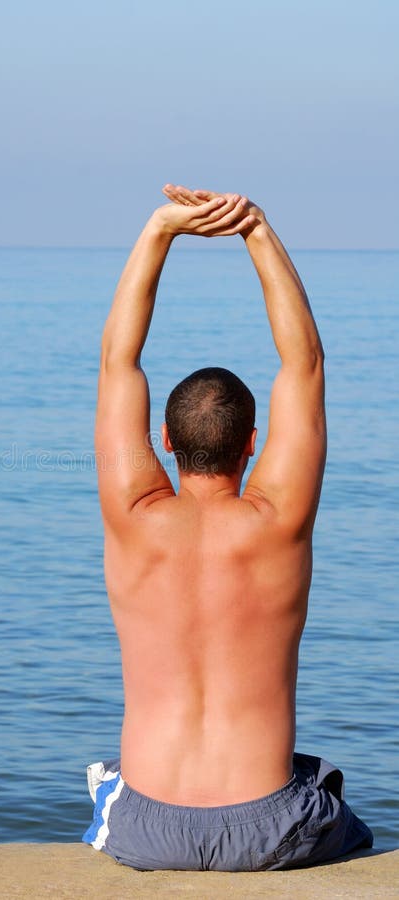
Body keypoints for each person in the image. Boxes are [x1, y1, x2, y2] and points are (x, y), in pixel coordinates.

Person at [81, 185, 373, 871]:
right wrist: (256, 230)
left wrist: (158, 229)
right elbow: (303, 365)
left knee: (110, 780)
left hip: (145, 827)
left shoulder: (134, 517)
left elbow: (116, 364)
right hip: (269, 826)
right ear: (252, 445)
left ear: (163, 440)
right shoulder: (278, 524)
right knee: (324, 789)